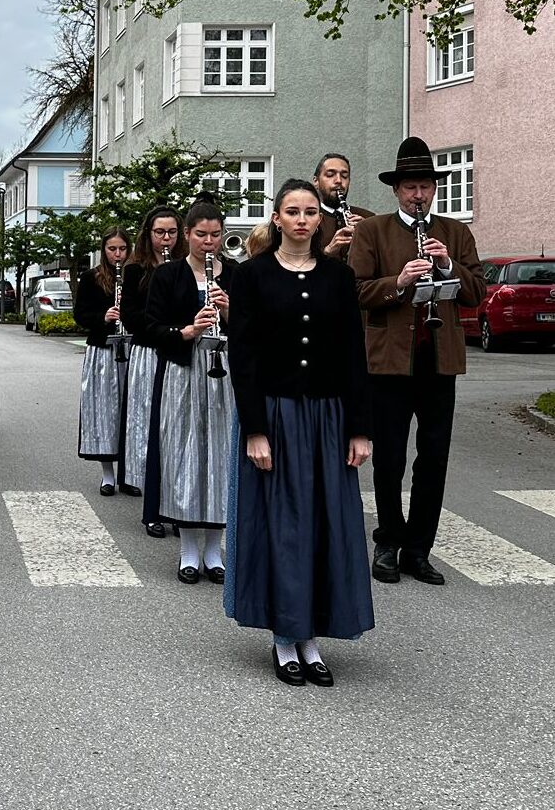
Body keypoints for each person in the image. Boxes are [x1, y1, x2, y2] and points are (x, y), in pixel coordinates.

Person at [225, 179, 374, 687]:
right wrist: (254, 431)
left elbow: (355, 355)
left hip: (329, 417)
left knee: (324, 524)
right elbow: (242, 358)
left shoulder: (337, 276)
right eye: (293, 211)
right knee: (284, 526)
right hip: (278, 415)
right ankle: (285, 638)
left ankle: (313, 636)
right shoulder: (251, 277)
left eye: (311, 211)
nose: (303, 219)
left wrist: (359, 428)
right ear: (276, 218)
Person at [348, 136, 484, 586]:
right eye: (410, 187)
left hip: (438, 361)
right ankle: (387, 542)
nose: (418, 195)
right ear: (396, 190)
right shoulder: (372, 231)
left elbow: (476, 292)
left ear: (433, 189)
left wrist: (448, 267)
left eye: (425, 186)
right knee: (389, 458)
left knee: (434, 459)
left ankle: (418, 550)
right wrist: (399, 280)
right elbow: (355, 292)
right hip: (389, 363)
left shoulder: (455, 233)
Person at [142, 196, 235, 584]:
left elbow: (256, 328)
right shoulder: (168, 275)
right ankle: (188, 551)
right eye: (201, 235)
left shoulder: (234, 274)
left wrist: (229, 312)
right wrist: (186, 331)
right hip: (182, 371)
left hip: (225, 373)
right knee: (184, 455)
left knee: (219, 456)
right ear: (187, 235)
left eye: (215, 235)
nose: (208, 243)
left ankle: (215, 550)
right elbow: (149, 328)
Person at [120, 206, 184, 534]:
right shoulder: (136, 270)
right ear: (149, 235)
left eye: (172, 232)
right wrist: (161, 327)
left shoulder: (187, 267)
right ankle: (153, 504)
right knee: (149, 424)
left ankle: (176, 502)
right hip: (148, 351)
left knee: (176, 429)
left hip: (178, 353)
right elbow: (130, 316)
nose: (166, 239)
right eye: (160, 232)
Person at [76, 228, 132, 495]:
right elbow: (80, 315)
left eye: (122, 249)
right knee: (104, 411)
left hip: (130, 349)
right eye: (112, 249)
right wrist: (104, 317)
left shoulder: (135, 276)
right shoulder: (90, 278)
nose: (117, 254)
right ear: (104, 250)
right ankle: (107, 474)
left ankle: (129, 473)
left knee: (130, 412)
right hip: (102, 349)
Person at [311, 153, 374, 260]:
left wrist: (368, 233)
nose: (339, 181)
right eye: (330, 175)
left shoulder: (369, 218)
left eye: (344, 176)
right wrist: (327, 251)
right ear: (316, 181)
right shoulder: (306, 219)